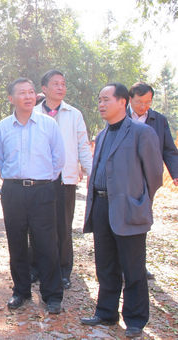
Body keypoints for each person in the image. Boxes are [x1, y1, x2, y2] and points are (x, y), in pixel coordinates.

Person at [81, 83, 163, 339]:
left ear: (122, 102)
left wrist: (140, 200)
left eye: (106, 99)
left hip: (129, 208)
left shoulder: (141, 132)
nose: (101, 104)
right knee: (105, 264)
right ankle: (106, 312)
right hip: (101, 206)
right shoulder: (103, 133)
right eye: (99, 100)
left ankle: (135, 319)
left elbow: (154, 174)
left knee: (133, 267)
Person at [0, 77, 65, 314]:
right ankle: (21, 291)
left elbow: (58, 158)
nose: (28, 96)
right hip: (13, 191)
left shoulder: (48, 124)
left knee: (46, 243)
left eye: (31, 92)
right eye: (22, 92)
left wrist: (42, 180)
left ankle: (52, 294)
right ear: (11, 98)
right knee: (16, 242)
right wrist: (14, 179)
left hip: (43, 190)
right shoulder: (3, 127)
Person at [32, 70, 92, 289]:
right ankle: (36, 267)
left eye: (63, 84)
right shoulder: (33, 112)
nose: (60, 87)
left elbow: (83, 145)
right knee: (37, 225)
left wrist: (92, 173)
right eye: (55, 84)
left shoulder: (73, 114)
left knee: (63, 226)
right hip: (37, 179)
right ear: (44, 88)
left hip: (65, 179)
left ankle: (63, 270)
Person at [127, 82, 178, 280]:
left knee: (141, 222)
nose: (143, 107)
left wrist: (175, 173)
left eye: (148, 102)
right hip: (123, 178)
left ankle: (138, 265)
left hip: (147, 180)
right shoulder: (120, 116)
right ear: (130, 99)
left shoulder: (159, 120)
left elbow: (169, 150)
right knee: (122, 220)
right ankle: (122, 264)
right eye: (139, 102)